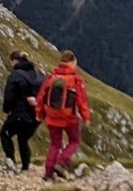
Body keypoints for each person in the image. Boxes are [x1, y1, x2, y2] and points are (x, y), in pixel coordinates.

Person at [36, 49, 92, 181]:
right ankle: (61, 163)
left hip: (52, 117)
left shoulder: (52, 78)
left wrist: (39, 113)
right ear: (72, 62)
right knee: (74, 141)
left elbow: (41, 97)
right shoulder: (75, 80)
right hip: (69, 118)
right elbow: (81, 100)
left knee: (55, 144)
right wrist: (86, 117)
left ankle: (48, 173)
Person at [0, 51, 44, 172]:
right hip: (36, 116)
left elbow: (9, 96)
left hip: (20, 113)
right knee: (23, 139)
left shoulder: (15, 75)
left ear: (15, 61)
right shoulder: (39, 74)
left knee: (5, 134)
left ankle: (11, 162)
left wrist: (6, 110)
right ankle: (25, 167)